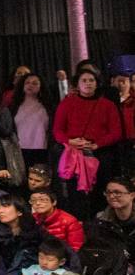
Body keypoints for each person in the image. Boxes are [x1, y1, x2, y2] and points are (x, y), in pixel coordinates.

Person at [53, 69, 121, 217]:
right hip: (73, 153)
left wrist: (97, 144)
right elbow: (57, 131)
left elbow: (116, 132)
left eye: (91, 80)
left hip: (99, 152)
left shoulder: (108, 105)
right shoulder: (67, 103)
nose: (88, 83)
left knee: (99, 192)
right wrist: (70, 141)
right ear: (77, 84)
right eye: (84, 80)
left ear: (97, 84)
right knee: (74, 194)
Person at [0, 195, 43, 275]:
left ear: (19, 212)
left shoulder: (34, 230)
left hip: (30, 274)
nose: (0, 211)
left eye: (5, 206)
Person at [8, 72, 53, 170]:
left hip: (42, 150)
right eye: (27, 83)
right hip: (19, 150)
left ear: (41, 86)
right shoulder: (14, 106)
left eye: (34, 83)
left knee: (39, 183)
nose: (30, 85)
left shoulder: (48, 105)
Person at [27, 186, 84, 251]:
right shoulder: (31, 218)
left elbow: (74, 248)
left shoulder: (70, 221)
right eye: (33, 200)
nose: (37, 203)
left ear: (54, 202)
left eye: (42, 200)